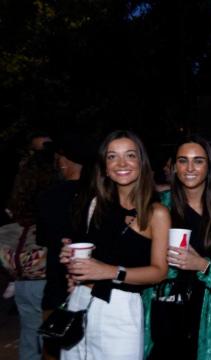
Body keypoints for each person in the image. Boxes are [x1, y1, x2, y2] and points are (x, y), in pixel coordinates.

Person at [60, 130, 169, 360]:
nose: (122, 163)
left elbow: (159, 272)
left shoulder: (155, 213)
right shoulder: (94, 204)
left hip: (120, 309)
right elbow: (85, 253)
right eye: (112, 156)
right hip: (80, 300)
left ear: (141, 162)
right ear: (105, 168)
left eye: (130, 155)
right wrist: (69, 257)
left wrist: (109, 271)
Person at [146, 136, 211, 359]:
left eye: (198, 161)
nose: (190, 168)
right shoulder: (159, 205)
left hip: (209, 308)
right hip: (163, 307)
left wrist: (203, 265)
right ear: (173, 167)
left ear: (210, 166)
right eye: (183, 161)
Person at [37, 133, 94, 360]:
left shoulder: (49, 196)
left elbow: (42, 239)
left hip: (57, 286)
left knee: (54, 350)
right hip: (92, 287)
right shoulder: (98, 195)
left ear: (63, 161)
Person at [3, 148, 58, 360]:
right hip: (44, 277)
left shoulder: (21, 196)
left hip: (22, 279)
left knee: (29, 335)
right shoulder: (53, 196)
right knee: (49, 339)